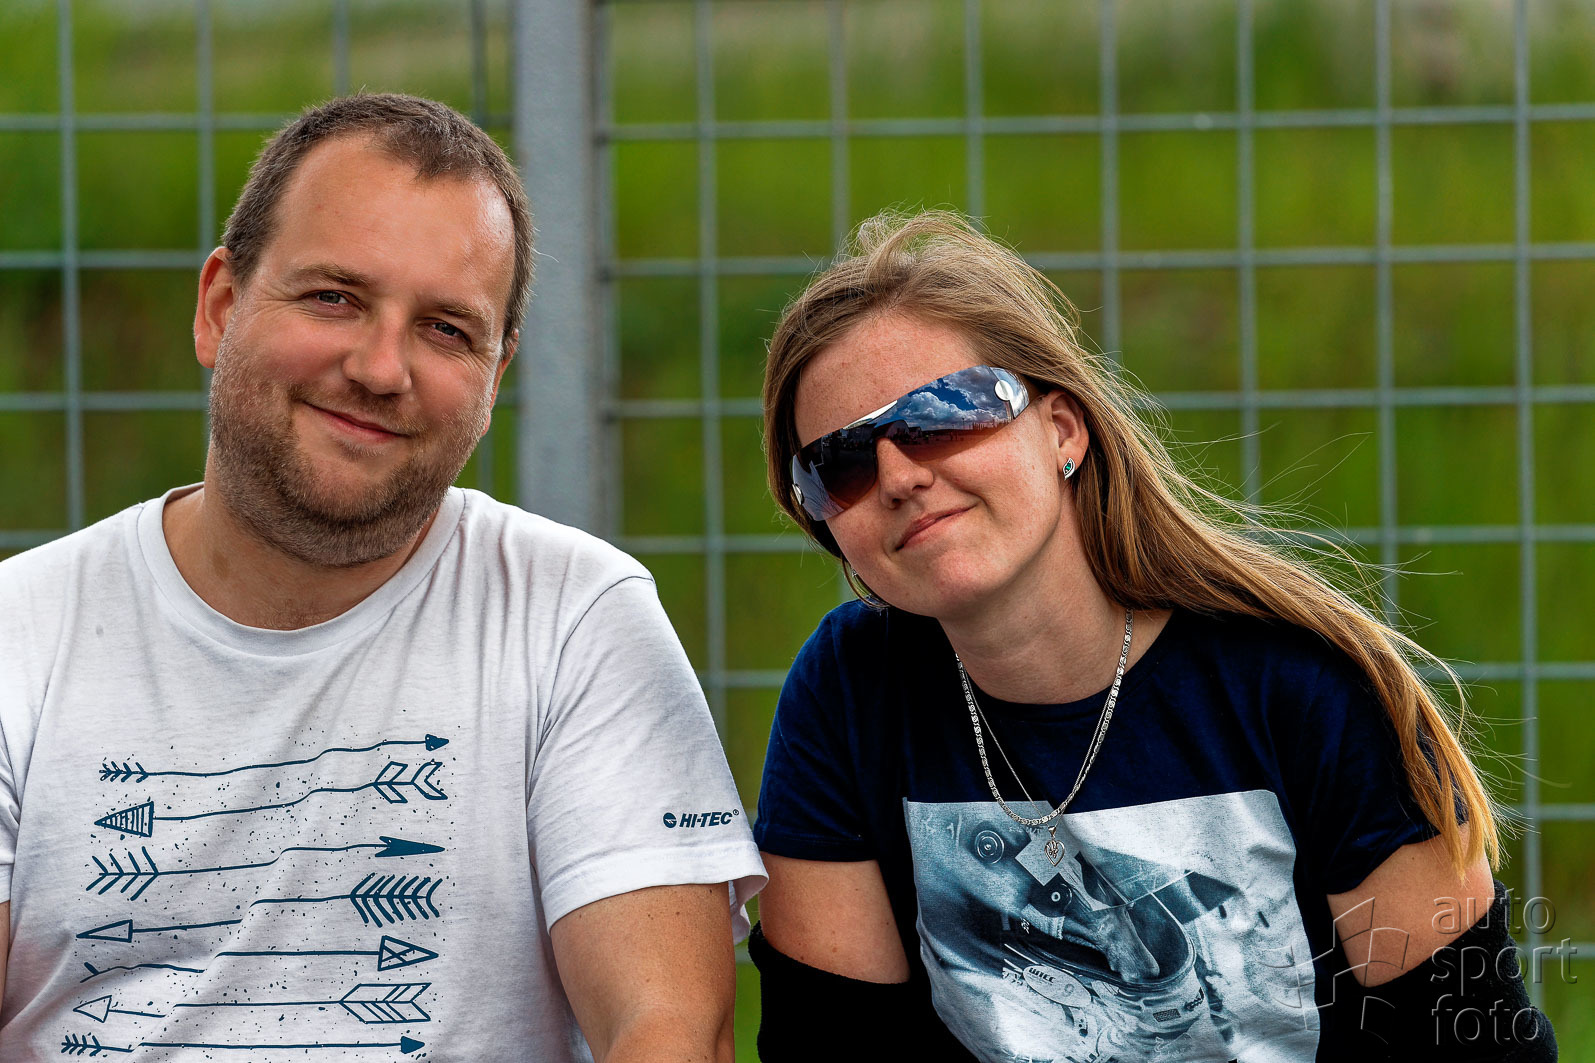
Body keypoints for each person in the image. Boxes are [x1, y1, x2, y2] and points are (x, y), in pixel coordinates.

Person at [0, 93, 763, 1063]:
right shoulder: (20, 635)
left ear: (495, 379)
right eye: (334, 298)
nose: (379, 366)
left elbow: (667, 1028)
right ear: (220, 307)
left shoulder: (574, 618)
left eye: (445, 329)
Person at [749, 210, 1555, 1061]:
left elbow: (1474, 1049)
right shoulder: (847, 693)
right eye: (839, 463)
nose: (897, 475)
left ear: (1062, 429)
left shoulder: (1302, 686)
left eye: (938, 414)